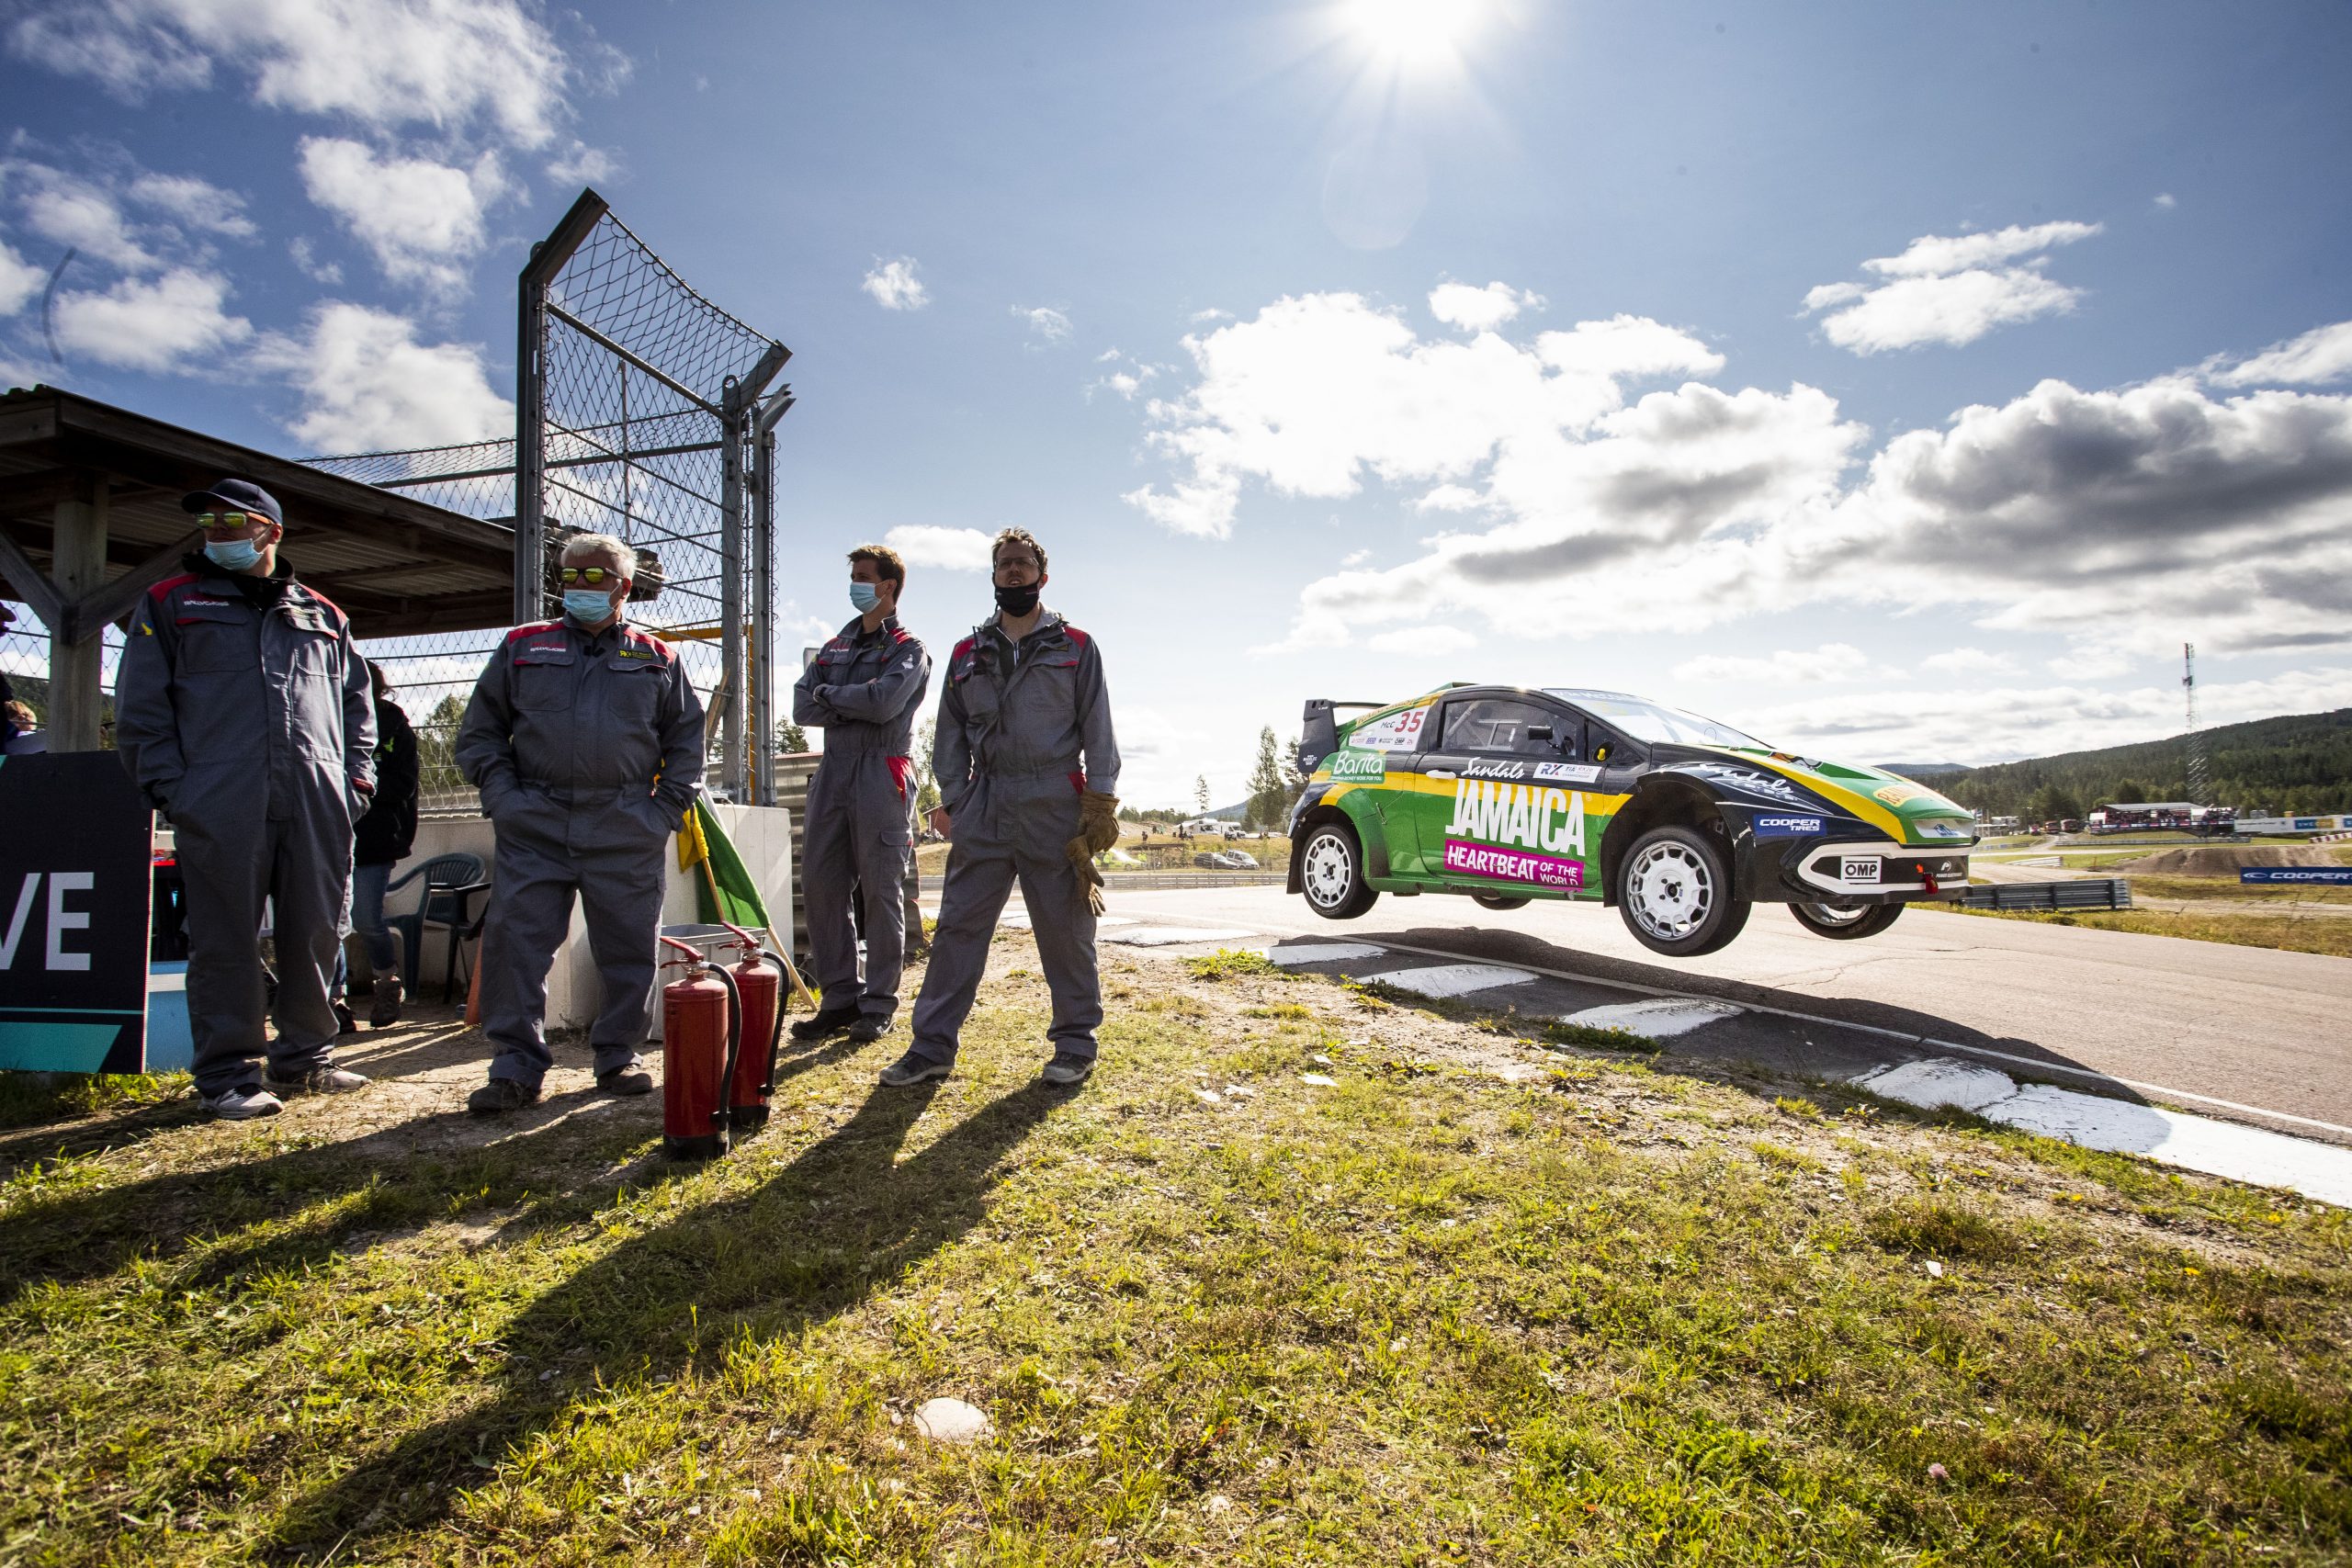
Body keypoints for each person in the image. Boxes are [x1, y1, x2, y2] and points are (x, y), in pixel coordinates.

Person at [114, 478, 376, 1119]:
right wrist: (178, 791)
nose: (219, 531)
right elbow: (141, 712)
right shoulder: (170, 603)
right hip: (220, 796)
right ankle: (228, 1074)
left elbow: (358, 707)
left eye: (235, 521)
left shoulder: (322, 613)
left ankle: (307, 1057)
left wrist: (357, 782)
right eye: (209, 521)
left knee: (315, 928)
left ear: (271, 531)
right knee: (224, 936)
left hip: (315, 794)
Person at [455, 532, 704, 1114]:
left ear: (625, 586)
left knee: (629, 948)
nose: (580, 588)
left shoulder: (658, 657)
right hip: (535, 822)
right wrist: (506, 801)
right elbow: (480, 734)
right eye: (570, 577)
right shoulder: (522, 646)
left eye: (595, 577)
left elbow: (687, 743)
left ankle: (618, 1056)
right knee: (519, 946)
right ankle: (515, 1065)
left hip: (625, 822)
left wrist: (661, 812)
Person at [882, 527, 1120, 1089]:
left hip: (1054, 804)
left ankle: (1075, 1042)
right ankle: (931, 1047)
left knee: (1065, 930)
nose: (1013, 572)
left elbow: (1099, 729)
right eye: (1004, 565)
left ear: (1042, 575)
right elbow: (949, 736)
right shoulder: (968, 653)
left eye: (1022, 563)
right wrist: (959, 800)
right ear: (993, 577)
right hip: (986, 802)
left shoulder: (1077, 646)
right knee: (959, 928)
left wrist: (1099, 803)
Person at [788, 545, 931, 1044]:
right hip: (833, 771)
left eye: (864, 577)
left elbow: (884, 703)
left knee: (880, 890)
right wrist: (845, 700)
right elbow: (801, 707)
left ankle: (878, 1003)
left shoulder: (908, 648)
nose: (856, 584)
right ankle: (839, 998)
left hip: (881, 770)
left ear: (889, 586)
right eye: (853, 576)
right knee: (823, 886)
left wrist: (833, 698)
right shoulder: (834, 648)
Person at [349, 660, 419, 1025]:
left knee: (365, 918)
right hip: (327, 835)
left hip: (375, 838)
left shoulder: (392, 726)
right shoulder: (326, 717)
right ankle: (332, 1003)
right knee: (325, 925)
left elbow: (402, 785)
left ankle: (387, 982)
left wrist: (358, 789)